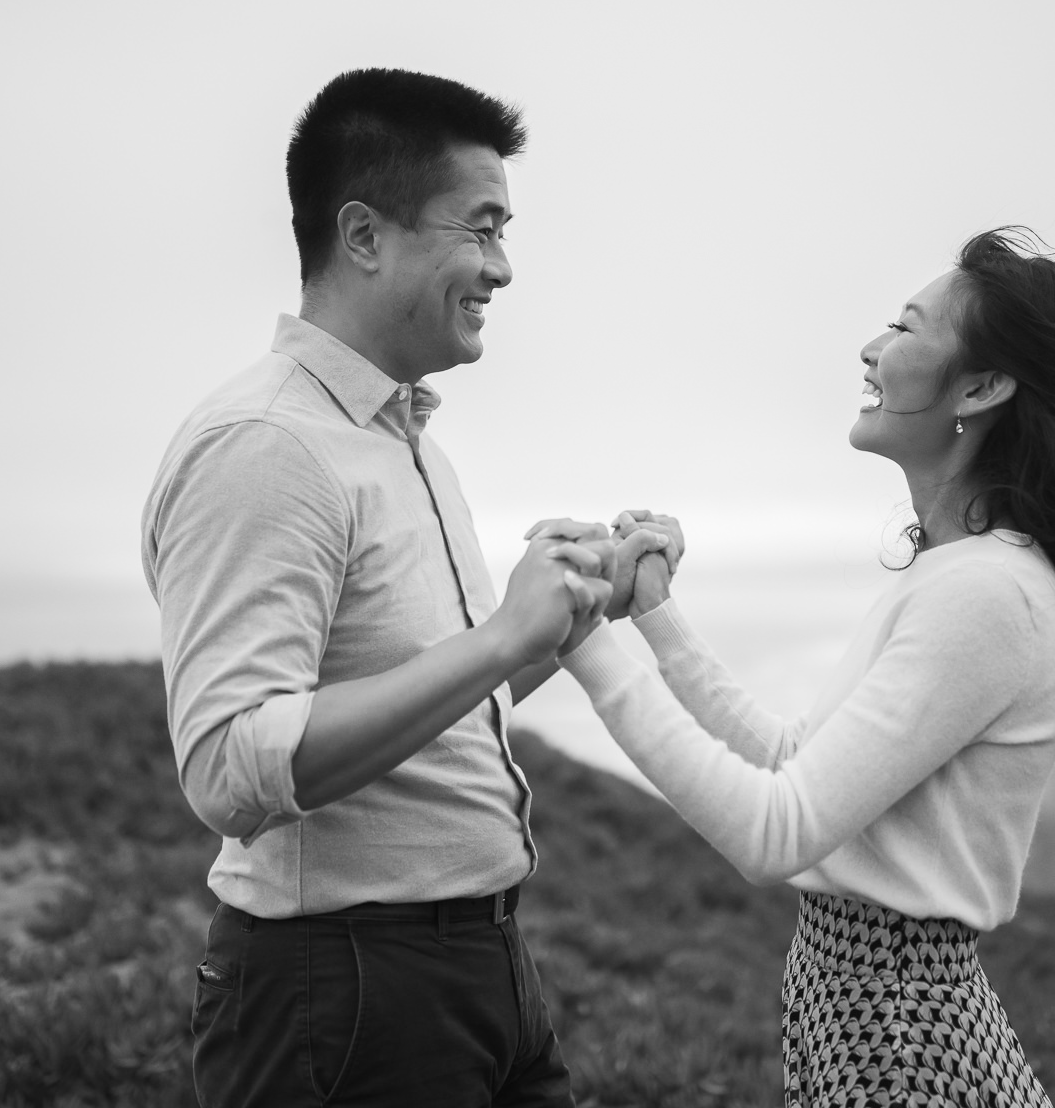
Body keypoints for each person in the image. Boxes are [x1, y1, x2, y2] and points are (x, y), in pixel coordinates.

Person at [543, 229, 1055, 1107]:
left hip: (896, 1031)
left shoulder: (988, 594)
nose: (870, 347)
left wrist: (583, 643)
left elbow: (773, 833)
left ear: (980, 386)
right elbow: (793, 757)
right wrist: (654, 614)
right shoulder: (959, 573)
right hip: (863, 1004)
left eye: (904, 326)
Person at [140, 68, 665, 1108]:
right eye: (479, 229)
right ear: (365, 235)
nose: (501, 269)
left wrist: (563, 618)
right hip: (338, 991)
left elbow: (435, 705)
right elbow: (228, 766)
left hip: (482, 969)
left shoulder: (402, 438)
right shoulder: (269, 445)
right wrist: (496, 638)